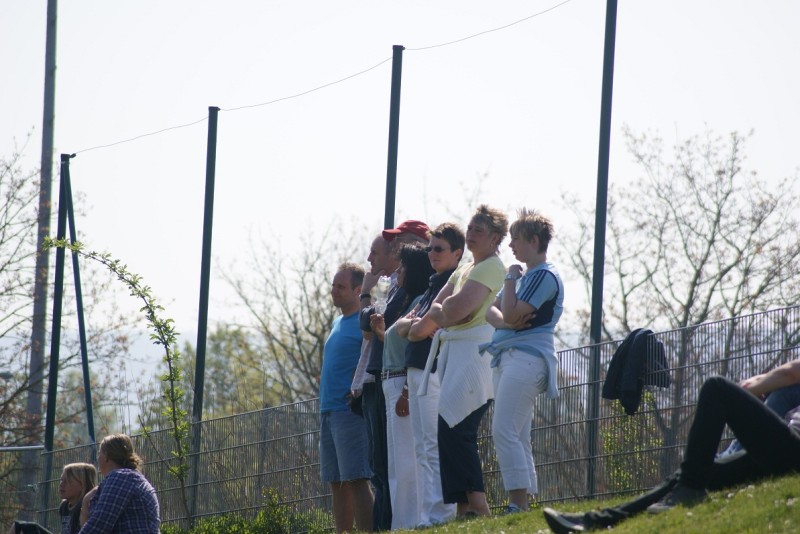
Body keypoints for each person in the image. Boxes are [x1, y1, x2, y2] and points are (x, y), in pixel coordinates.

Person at [543, 358, 800, 533]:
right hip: (782, 451)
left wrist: (758, 384)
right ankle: (594, 522)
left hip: (793, 450)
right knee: (691, 474)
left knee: (716, 388)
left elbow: (791, 372)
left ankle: (690, 489)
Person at [422, 205, 508, 518]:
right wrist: (447, 313)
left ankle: (479, 506)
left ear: (494, 238)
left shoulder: (491, 267)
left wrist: (447, 313)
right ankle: (462, 508)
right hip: (454, 353)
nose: (470, 234)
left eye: (478, 231)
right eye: (470, 228)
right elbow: (438, 308)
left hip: (474, 355)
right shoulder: (465, 269)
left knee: (458, 428)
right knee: (448, 427)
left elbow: (454, 310)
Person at [483, 208, 564, 514]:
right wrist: (507, 318)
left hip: (527, 359)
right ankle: (525, 501)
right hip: (509, 358)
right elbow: (492, 312)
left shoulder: (543, 275)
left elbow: (508, 311)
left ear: (534, 241)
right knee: (517, 434)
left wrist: (508, 282)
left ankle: (517, 503)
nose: (511, 245)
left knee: (503, 429)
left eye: (516, 239)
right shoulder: (526, 276)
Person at [354, 220, 430, 531]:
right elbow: (368, 323)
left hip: (399, 379)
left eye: (402, 241)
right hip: (383, 378)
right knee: (385, 466)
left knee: (397, 464)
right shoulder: (398, 286)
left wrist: (369, 307)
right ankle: (395, 523)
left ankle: (401, 523)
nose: (397, 248)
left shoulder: (418, 289)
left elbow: (393, 332)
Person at [394, 223, 464, 527]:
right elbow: (402, 326)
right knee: (421, 447)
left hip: (433, 369)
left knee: (432, 444)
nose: (432, 254)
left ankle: (441, 514)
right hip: (416, 368)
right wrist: (415, 326)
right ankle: (426, 515)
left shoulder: (454, 284)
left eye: (439, 249)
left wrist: (414, 327)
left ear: (457, 253)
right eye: (430, 248)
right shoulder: (432, 285)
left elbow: (418, 329)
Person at [370, 243, 434, 530]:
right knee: (397, 463)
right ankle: (401, 523)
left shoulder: (420, 301)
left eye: (404, 266)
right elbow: (397, 343)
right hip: (390, 382)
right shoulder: (411, 300)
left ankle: (409, 522)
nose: (399, 271)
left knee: (407, 461)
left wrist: (407, 392)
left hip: (401, 384)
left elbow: (416, 349)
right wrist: (382, 332)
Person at [317, 263, 373, 534]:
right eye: (333, 285)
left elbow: (372, 357)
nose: (334, 290)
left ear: (358, 290)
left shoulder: (364, 321)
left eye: (341, 286)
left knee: (356, 479)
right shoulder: (338, 322)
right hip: (328, 410)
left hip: (349, 412)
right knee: (336, 482)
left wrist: (358, 389)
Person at [78, 433, 159, 534]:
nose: (98, 458)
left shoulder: (120, 477)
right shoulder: (130, 477)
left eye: (99, 454)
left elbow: (99, 524)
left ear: (107, 456)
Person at [9, 463, 97, 534]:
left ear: (82, 485)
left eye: (68, 481)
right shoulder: (64, 506)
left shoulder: (86, 507)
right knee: (18, 526)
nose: (61, 484)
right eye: (61, 480)